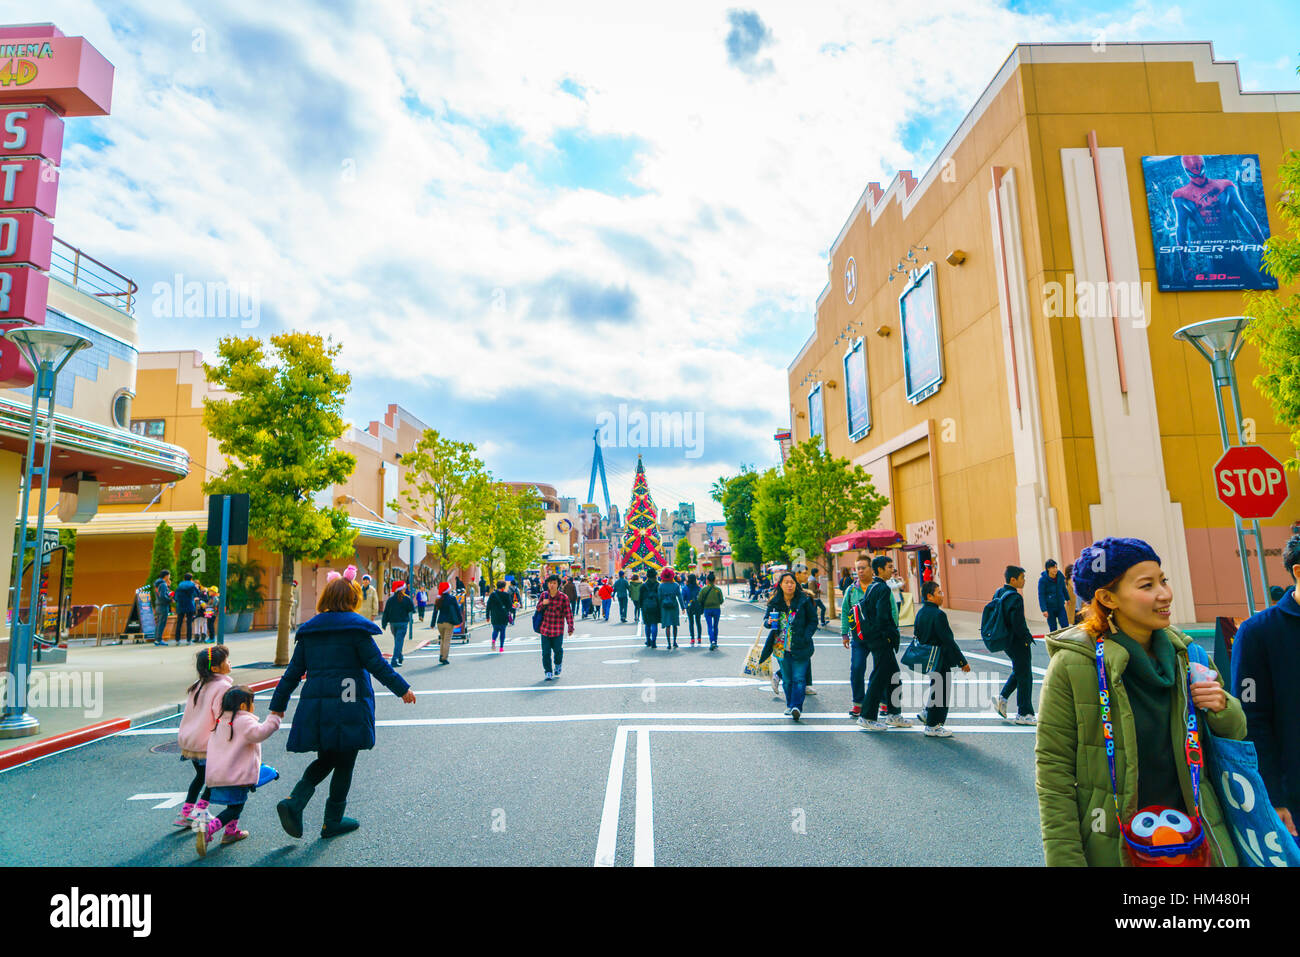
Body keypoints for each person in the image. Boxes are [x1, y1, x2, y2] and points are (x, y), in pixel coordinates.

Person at [1036, 537, 1245, 866]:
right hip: (1116, 847)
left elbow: (1236, 735)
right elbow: (1054, 777)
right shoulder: (1073, 666)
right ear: (1107, 598)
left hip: (1196, 841)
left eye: (1163, 580)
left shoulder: (1186, 655)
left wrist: (1221, 706)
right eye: (1147, 585)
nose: (1164, 593)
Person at [270, 570, 416, 840]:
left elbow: (292, 673)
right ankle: (331, 820)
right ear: (352, 599)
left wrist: (278, 704)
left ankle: (295, 800)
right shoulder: (356, 630)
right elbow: (378, 666)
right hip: (349, 702)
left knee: (327, 757)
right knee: (345, 759)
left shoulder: (310, 632)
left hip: (318, 705)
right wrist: (402, 689)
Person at [1231, 534, 1300, 844]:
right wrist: (1271, 794)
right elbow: (1251, 718)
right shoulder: (1258, 633)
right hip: (1293, 796)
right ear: (1298, 572)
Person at [197, 686, 281, 856]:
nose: (254, 706)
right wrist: (274, 718)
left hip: (220, 772)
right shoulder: (244, 721)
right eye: (252, 703)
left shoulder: (221, 719)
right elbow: (260, 733)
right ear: (243, 706)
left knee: (234, 804)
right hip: (236, 775)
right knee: (235, 808)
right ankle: (209, 829)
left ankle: (230, 833)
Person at [173, 645, 233, 829]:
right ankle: (201, 810)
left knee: (201, 777)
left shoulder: (198, 685)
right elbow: (221, 715)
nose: (230, 663)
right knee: (214, 778)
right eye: (226, 660)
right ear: (215, 668)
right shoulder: (223, 686)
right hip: (206, 743)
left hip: (190, 740)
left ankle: (185, 814)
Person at [855, 555, 912, 731]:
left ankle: (894, 714)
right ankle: (867, 716)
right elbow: (882, 617)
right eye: (889, 567)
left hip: (874, 639)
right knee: (879, 678)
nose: (892, 570)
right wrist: (889, 636)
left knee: (893, 676)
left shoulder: (873, 587)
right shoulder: (882, 589)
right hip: (881, 641)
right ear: (879, 569)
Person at [912, 580, 970, 738]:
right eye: (939, 593)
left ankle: (928, 714)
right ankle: (933, 725)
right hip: (940, 658)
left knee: (935, 688)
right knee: (942, 691)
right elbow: (948, 641)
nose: (942, 595)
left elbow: (918, 634)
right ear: (930, 596)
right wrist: (962, 662)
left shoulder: (921, 612)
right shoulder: (938, 614)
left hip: (927, 657)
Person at [758, 572, 817, 720]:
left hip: (800, 645)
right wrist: (768, 623)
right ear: (781, 585)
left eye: (792, 582)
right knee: (788, 679)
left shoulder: (804, 600)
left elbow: (813, 620)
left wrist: (806, 636)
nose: (789, 585)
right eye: (786, 582)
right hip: (780, 646)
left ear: (796, 584)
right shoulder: (775, 602)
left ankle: (797, 706)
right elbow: (766, 620)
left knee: (799, 678)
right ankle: (790, 705)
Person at [989, 565, 1037, 725]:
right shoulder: (1015, 597)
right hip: (1017, 641)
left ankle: (1002, 698)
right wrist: (1026, 638)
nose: (1024, 581)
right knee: (1025, 676)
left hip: (1005, 640)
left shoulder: (999, 592)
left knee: (1020, 670)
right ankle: (1024, 713)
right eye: (1022, 578)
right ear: (1013, 579)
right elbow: (1018, 623)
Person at [841, 555, 873, 719]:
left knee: (881, 670)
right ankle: (858, 703)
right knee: (857, 668)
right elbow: (846, 612)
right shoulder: (852, 590)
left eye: (863, 568)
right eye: (857, 568)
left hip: (877, 637)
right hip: (858, 637)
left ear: (871, 569)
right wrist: (844, 633)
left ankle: (882, 701)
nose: (860, 571)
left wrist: (892, 632)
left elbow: (892, 611)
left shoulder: (879, 587)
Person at [535, 574, 574, 680]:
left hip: (557, 630)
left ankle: (558, 664)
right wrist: (543, 603)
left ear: (558, 584)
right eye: (550, 583)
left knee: (558, 651)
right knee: (546, 652)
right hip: (545, 629)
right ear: (547, 584)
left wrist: (570, 627)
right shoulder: (544, 595)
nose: (552, 585)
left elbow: (568, 613)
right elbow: (538, 608)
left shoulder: (563, 597)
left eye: (554, 583)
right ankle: (548, 671)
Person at [380, 580, 415, 667]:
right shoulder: (406, 599)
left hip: (393, 624)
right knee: (399, 642)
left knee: (397, 641)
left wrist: (384, 623)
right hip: (403, 623)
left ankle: (400, 656)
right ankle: (394, 660)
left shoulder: (390, 600)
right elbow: (412, 609)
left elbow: (386, 613)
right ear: (402, 589)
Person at [432, 581, 461, 665]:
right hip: (449, 622)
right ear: (448, 589)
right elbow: (457, 610)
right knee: (447, 641)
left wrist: (432, 624)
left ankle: (441, 655)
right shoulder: (452, 598)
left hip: (440, 622)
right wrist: (459, 620)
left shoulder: (438, 599)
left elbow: (435, 612)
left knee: (442, 639)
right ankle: (444, 658)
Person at [1038, 559, 1070, 633]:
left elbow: (1063, 588)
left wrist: (1067, 598)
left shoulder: (1060, 576)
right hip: (1049, 608)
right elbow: (1041, 595)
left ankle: (1066, 642)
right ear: (1048, 569)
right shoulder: (1043, 580)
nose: (1055, 569)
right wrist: (1044, 609)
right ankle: (1054, 643)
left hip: (1060, 606)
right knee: (1053, 629)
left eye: (1056, 567)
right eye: (1053, 568)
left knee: (1065, 626)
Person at [658, 568, 685, 650]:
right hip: (674, 605)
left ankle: (669, 643)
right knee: (675, 624)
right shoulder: (676, 585)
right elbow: (680, 597)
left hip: (664, 606)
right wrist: (683, 607)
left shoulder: (661, 586)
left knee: (667, 625)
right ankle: (674, 642)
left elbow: (659, 598)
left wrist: (659, 608)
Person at [699, 572, 724, 650]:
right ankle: (715, 641)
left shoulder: (704, 589)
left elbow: (699, 599)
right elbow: (721, 601)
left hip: (707, 609)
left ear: (707, 580)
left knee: (709, 626)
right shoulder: (718, 589)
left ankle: (712, 641)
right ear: (714, 580)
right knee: (715, 626)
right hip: (716, 609)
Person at [486, 579, 513, 652]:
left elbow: (488, 606)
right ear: (503, 587)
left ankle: (494, 640)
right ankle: (501, 647)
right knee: (502, 631)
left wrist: (487, 616)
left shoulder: (493, 595)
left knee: (495, 629)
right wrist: (513, 609)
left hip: (494, 615)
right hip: (503, 615)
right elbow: (510, 606)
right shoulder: (506, 595)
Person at [173, 572, 200, 645]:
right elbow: (198, 593)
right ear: (191, 579)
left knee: (179, 623)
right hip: (190, 605)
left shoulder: (180, 585)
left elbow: (175, 596)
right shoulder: (192, 585)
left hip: (180, 605)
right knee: (189, 623)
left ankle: (177, 640)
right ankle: (188, 640)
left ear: (184, 578)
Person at [640, 573, 662, 648]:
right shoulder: (658, 585)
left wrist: (641, 606)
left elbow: (640, 597)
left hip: (646, 606)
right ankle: (654, 642)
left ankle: (648, 640)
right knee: (654, 624)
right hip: (655, 607)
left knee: (647, 624)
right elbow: (660, 596)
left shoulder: (643, 585)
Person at [152, 570, 174, 646]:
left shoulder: (157, 584)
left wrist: (168, 586)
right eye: (169, 575)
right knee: (162, 623)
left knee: (158, 623)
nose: (169, 577)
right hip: (163, 606)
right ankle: (159, 640)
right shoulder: (163, 584)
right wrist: (170, 600)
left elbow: (161, 594)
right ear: (166, 576)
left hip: (158, 605)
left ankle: (156, 639)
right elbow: (163, 596)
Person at [682, 573, 703, 645]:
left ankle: (692, 639)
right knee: (698, 622)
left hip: (689, 606)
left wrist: (684, 606)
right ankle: (699, 638)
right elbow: (701, 597)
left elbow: (683, 598)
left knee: (691, 623)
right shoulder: (699, 587)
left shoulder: (685, 588)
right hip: (697, 606)